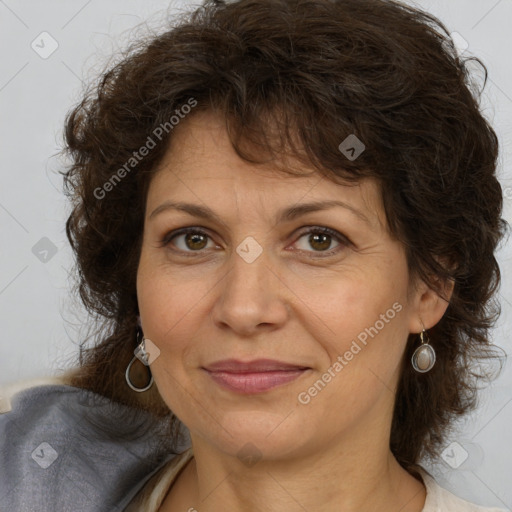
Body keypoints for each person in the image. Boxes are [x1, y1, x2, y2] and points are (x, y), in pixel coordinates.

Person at [0, 0, 509, 510]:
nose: (244, 309)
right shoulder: (26, 475)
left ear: (430, 285)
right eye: (193, 239)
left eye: (319, 240)